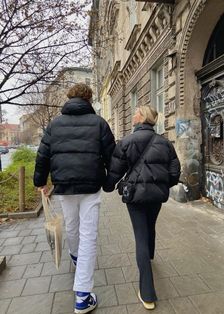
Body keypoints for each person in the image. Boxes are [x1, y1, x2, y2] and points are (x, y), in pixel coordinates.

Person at [34, 83, 115, 314]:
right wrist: (110, 182)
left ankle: (77, 259)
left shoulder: (54, 124)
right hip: (91, 185)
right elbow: (113, 156)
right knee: (88, 234)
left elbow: (43, 154)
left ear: (69, 98)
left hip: (65, 185)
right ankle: (82, 295)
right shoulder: (99, 123)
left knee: (72, 227)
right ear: (89, 99)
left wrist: (40, 181)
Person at [104, 105, 181, 310]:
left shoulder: (127, 142)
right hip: (156, 196)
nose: (132, 115)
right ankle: (150, 256)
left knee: (140, 235)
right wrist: (162, 184)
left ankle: (147, 293)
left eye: (136, 112)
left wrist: (108, 185)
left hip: (135, 196)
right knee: (150, 225)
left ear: (142, 118)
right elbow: (175, 171)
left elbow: (115, 170)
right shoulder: (164, 142)